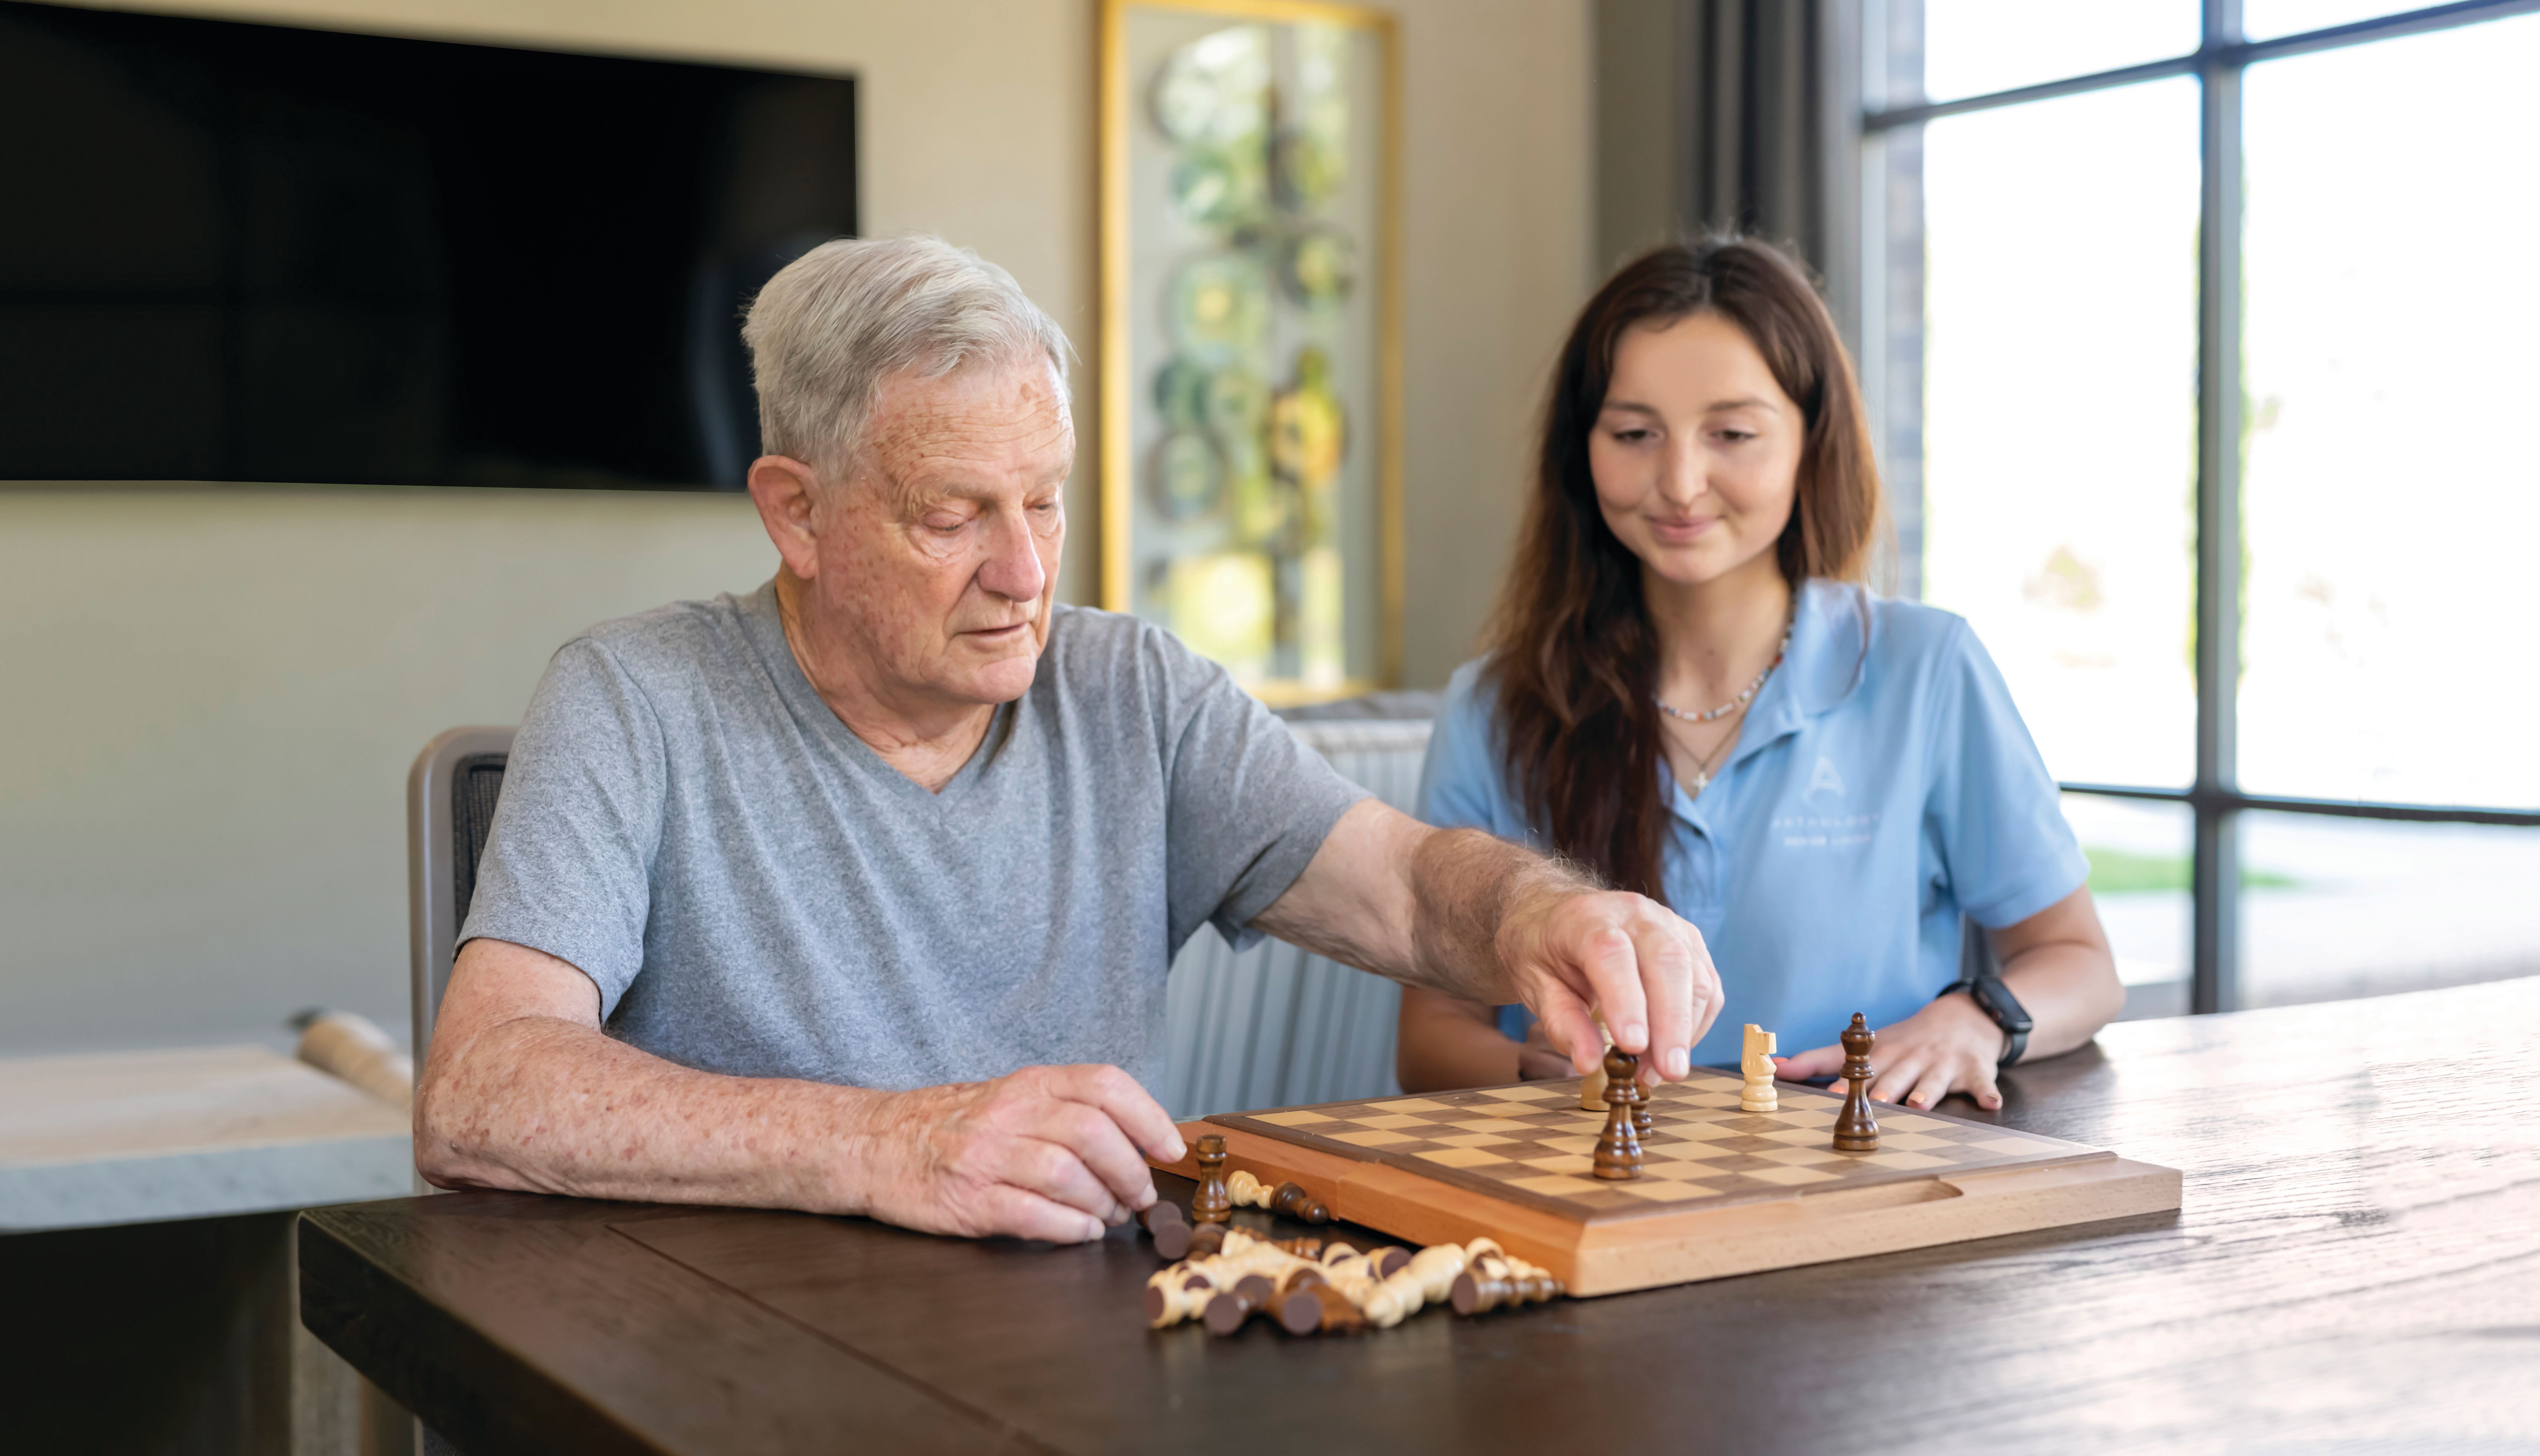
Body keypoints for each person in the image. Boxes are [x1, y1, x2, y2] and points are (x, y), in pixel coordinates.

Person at [413, 236, 1723, 1244]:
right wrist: (889, 1142)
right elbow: (482, 1088)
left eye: (1046, 498)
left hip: (1078, 1362)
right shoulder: (634, 696)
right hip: (736, 1361)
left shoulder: (1129, 688)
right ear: (796, 514)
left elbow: (1395, 882)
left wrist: (1544, 917)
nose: (1025, 568)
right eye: (954, 514)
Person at [1397, 238, 2122, 1110]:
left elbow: (2081, 963)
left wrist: (1976, 1018)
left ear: (1812, 441)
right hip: (1586, 1193)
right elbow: (1432, 1032)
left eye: (1732, 433)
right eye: (1634, 434)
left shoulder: (1924, 669)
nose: (1680, 482)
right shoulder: (1494, 705)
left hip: (1867, 1184)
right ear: (1580, 453)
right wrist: (1537, 1071)